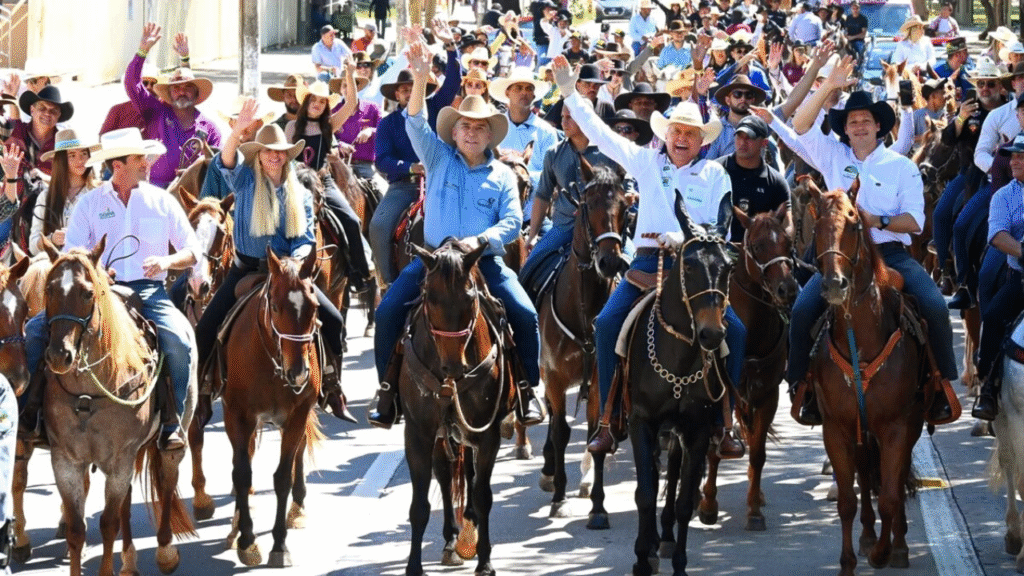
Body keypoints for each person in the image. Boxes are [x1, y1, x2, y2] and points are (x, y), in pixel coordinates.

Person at [549, 56, 746, 457]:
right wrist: (571, 93)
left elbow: (720, 232)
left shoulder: (715, 176)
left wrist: (684, 238)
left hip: (694, 268)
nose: (682, 138)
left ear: (702, 141)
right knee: (605, 325)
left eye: (691, 134)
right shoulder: (645, 161)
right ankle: (606, 419)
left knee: (737, 333)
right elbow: (601, 135)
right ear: (666, 133)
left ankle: (728, 420)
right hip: (645, 264)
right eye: (677, 130)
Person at [367, 40, 545, 428]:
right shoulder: (436, 156)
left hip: (483, 264)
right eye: (465, 126)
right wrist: (419, 77)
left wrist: (480, 242)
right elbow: (415, 120)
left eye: (480, 128)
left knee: (525, 312)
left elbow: (513, 223)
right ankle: (386, 392)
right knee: (387, 313)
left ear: (489, 136)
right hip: (432, 261)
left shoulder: (501, 175)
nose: (471, 133)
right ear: (455, 130)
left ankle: (529, 389)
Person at [788, 61, 956, 426]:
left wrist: (874, 220)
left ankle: (942, 387)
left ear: (879, 125)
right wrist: (827, 85)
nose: (859, 126)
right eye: (852, 122)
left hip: (890, 253)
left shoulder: (901, 166)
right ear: (844, 130)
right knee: (801, 312)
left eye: (865, 120)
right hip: (842, 259)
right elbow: (800, 124)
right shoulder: (832, 154)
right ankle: (802, 387)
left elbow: (915, 222)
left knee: (934, 306)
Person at [23, 128, 201, 451]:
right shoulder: (90, 204)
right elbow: (72, 253)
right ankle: (30, 412)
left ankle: (172, 421)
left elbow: (193, 249)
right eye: (139, 158)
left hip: (148, 290)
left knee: (178, 339)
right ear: (118, 166)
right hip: (100, 291)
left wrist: (166, 260)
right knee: (36, 330)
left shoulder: (161, 201)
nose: (147, 163)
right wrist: (97, 272)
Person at [195, 104, 356, 423]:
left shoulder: (299, 192)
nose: (275, 156)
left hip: (288, 271)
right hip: (248, 267)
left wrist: (295, 261)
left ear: (287, 155)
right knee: (205, 327)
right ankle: (202, 390)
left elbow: (306, 236)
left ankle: (331, 384)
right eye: (269, 151)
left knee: (334, 319)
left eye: (280, 152)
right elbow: (226, 161)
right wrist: (237, 132)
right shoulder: (244, 179)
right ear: (259, 153)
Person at [370, 30, 462, 287]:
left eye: (413, 88)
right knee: (378, 225)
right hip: (403, 186)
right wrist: (410, 167)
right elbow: (381, 160)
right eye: (403, 90)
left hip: (441, 181)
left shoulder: (434, 108)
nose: (409, 93)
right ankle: (387, 281)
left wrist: (451, 47)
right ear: (396, 95)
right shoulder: (387, 124)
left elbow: (454, 81)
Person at [130, 24, 222, 188]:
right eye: (176, 88)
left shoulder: (209, 128)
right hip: (154, 189)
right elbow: (132, 85)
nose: (181, 91)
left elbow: (219, 166)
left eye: (188, 88)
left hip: (193, 193)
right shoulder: (156, 111)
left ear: (196, 93)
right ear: (169, 93)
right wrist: (142, 51)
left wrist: (198, 166)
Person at [972, 131, 1024, 420]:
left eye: (1020, 155)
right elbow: (997, 236)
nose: (1014, 161)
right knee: (992, 318)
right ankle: (988, 389)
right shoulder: (1004, 195)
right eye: (1012, 155)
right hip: (1021, 278)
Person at [715, 115, 789, 241]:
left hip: (760, 255)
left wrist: (779, 245)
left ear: (764, 143)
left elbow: (788, 224)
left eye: (750, 138)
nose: (742, 142)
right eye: (739, 136)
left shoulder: (776, 181)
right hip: (717, 249)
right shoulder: (716, 170)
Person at [29, 130, 99, 256]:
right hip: (55, 268)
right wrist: (52, 239)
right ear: (60, 161)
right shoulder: (45, 197)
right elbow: (33, 245)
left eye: (84, 153)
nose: (80, 159)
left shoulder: (98, 194)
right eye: (72, 155)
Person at [491, 68, 559, 193]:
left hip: (533, 205)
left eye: (529, 89)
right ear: (507, 93)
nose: (524, 92)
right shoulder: (493, 128)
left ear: (533, 95)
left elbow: (552, 175)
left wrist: (518, 174)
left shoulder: (546, 132)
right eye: (518, 88)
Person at [100, 63, 159, 138]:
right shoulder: (117, 110)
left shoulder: (165, 109)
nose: (149, 87)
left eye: (153, 84)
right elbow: (103, 138)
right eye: (145, 83)